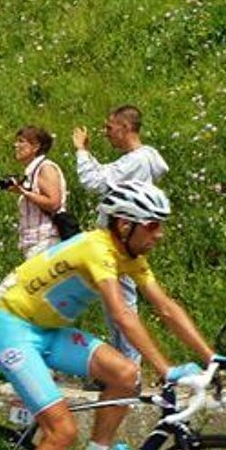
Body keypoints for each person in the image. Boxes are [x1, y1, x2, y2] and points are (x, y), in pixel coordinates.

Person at [0, 179, 226, 450]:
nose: (160, 234)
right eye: (153, 225)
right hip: (11, 331)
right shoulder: (97, 248)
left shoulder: (128, 254)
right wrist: (166, 369)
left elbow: (165, 307)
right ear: (124, 224)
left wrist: (213, 357)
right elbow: (121, 314)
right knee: (62, 429)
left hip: (47, 331)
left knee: (126, 375)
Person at [73, 105, 168, 365]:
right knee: (116, 304)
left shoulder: (136, 160)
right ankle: (122, 365)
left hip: (121, 240)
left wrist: (81, 151)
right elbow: (106, 176)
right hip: (123, 239)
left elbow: (94, 182)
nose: (106, 132)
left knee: (121, 305)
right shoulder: (138, 161)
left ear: (125, 128)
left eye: (110, 127)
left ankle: (129, 368)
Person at [4, 125, 68, 257]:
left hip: (46, 242)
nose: (16, 145)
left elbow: (54, 203)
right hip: (35, 242)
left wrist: (24, 192)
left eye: (21, 141)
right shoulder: (32, 172)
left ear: (36, 147)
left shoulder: (45, 168)